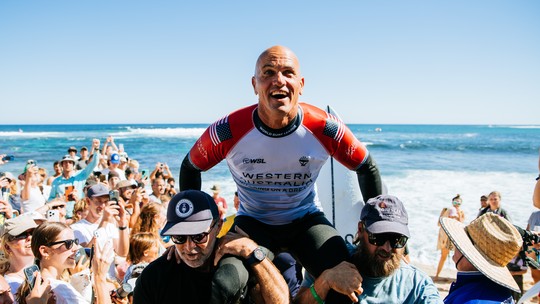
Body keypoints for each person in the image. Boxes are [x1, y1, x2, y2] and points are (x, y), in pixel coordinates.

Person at [179, 45, 382, 303]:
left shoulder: (324, 127)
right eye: (268, 72)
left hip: (306, 220)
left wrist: (379, 230)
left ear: (301, 83)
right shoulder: (229, 129)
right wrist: (190, 231)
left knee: (347, 282)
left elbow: (367, 167)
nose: (279, 80)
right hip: (253, 222)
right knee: (225, 284)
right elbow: (191, 167)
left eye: (288, 72)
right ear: (255, 84)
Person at [133, 190, 289, 304]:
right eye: (179, 237)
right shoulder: (155, 277)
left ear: (219, 226)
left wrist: (253, 251)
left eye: (199, 236)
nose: (189, 247)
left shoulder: (241, 263)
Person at [295, 195, 442, 303]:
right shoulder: (331, 260)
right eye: (378, 238)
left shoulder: (417, 286)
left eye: (397, 239)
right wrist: (324, 282)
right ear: (360, 230)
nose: (387, 247)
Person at [440, 213, 522, 303]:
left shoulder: (471, 299)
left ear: (469, 254)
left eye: (458, 246)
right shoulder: (498, 291)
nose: (453, 256)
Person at [48, 139, 101, 218]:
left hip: (80, 214)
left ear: (73, 164)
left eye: (70, 162)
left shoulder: (81, 175)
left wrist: (96, 149)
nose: (67, 164)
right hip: (63, 216)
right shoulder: (56, 181)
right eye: (65, 162)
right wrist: (58, 200)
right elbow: (50, 199)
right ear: (62, 165)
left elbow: (93, 164)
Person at [0, 216, 38, 295]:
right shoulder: (5, 284)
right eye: (22, 235)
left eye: (33, 233)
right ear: (7, 247)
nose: (30, 237)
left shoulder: (47, 272)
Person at [435, 194, 465, 280]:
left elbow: (461, 225)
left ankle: (458, 278)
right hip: (446, 237)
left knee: (458, 258)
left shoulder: (461, 212)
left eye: (459, 203)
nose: (456, 204)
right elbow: (439, 224)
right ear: (452, 202)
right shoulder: (446, 210)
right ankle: (437, 275)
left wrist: (458, 215)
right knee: (443, 256)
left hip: (455, 237)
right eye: (455, 202)